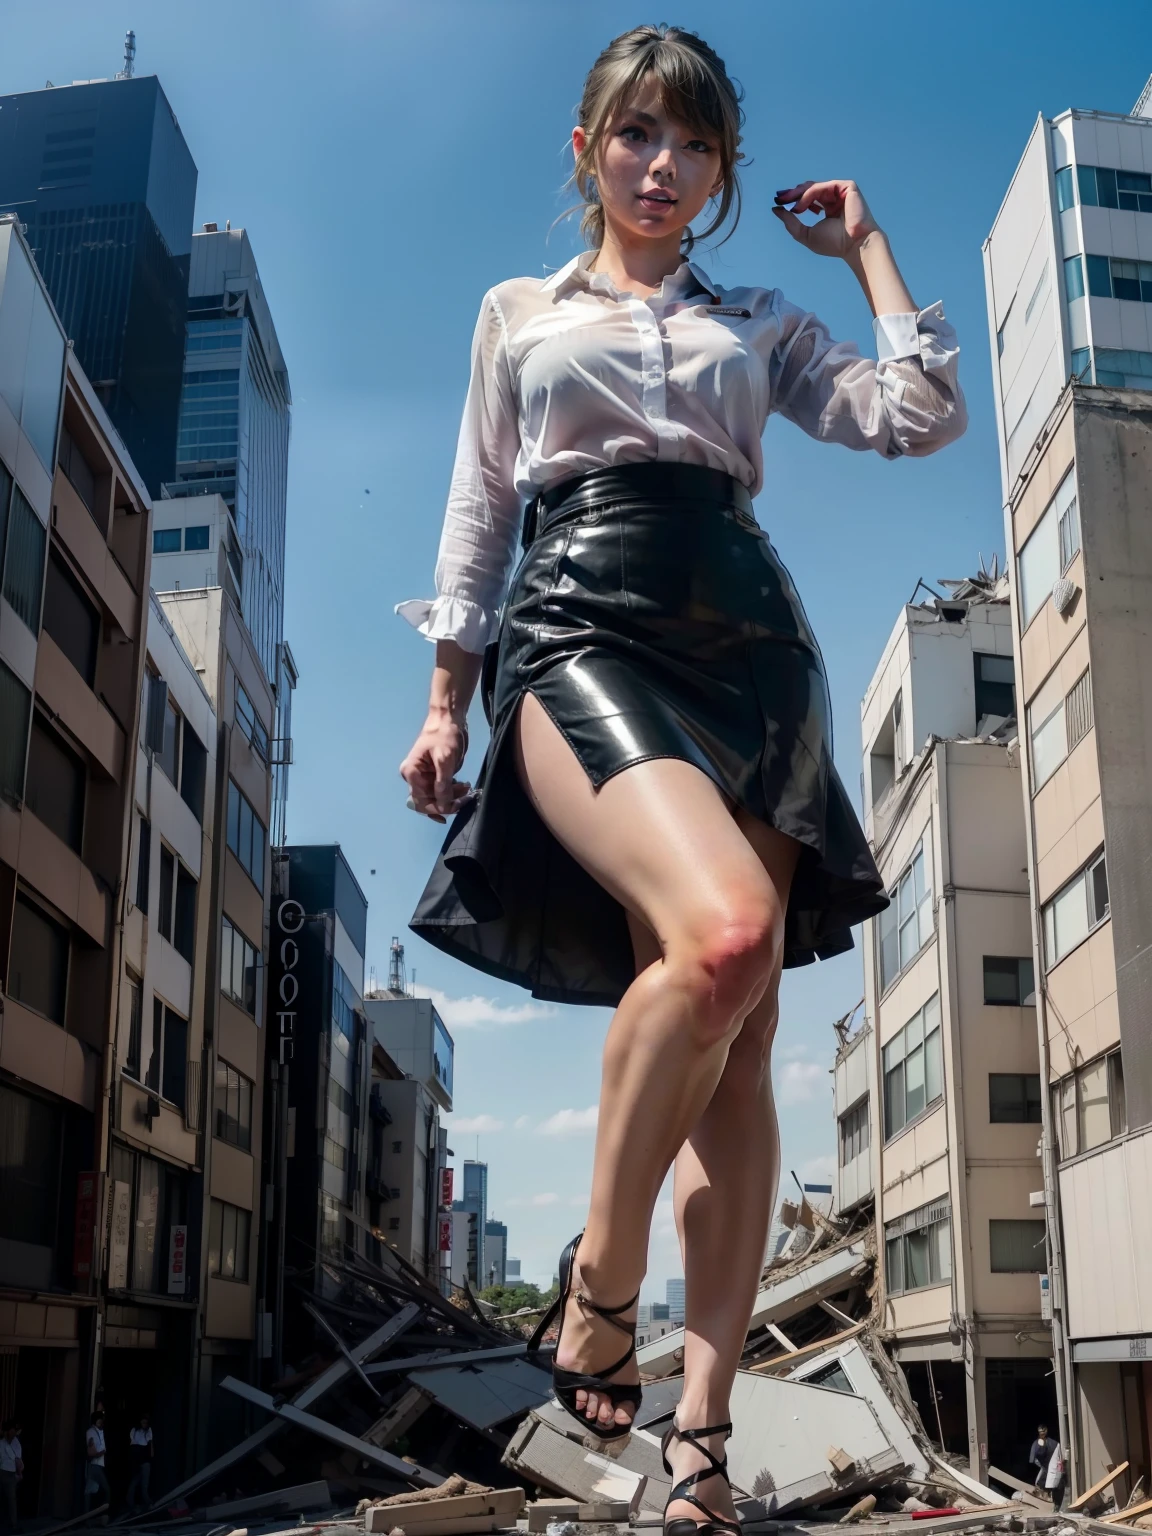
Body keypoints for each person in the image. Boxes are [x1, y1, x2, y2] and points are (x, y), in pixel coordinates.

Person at [398, 24, 965, 1536]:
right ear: (587, 149)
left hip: (754, 656)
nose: (668, 167)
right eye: (640, 136)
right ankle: (597, 1291)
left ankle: (699, 1437)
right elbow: (476, 503)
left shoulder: (761, 318)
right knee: (720, 939)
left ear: (722, 171)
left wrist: (871, 255)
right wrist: (446, 700)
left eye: (696, 145)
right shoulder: (521, 310)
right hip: (578, 622)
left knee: (747, 1028)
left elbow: (915, 419)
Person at [125, 1414, 154, 1512]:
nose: (144, 1424)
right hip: (137, 1459)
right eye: (143, 1422)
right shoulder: (135, 1430)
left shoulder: (148, 1431)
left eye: (146, 1422)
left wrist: (151, 1455)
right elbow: (133, 1444)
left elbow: (150, 1443)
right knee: (135, 1482)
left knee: (144, 1484)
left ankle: (148, 1503)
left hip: (144, 1460)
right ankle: (131, 1504)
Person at [84, 1410, 110, 1513]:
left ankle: (87, 1517)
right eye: (98, 1419)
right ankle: (105, 1514)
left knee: (89, 1491)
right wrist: (100, 1452)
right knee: (107, 1489)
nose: (100, 1421)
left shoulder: (101, 1431)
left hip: (97, 1464)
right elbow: (92, 1450)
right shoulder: (91, 1431)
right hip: (95, 1465)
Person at [0, 1419, 23, 1534]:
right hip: (1, 1472)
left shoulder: (16, 1443)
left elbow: (18, 1460)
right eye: (11, 1430)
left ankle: (13, 1525)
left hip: (10, 1474)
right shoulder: (1, 1443)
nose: (14, 1433)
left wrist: (19, 1473)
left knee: (12, 1500)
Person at [1029, 1424, 1055, 1491]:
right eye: (1041, 1432)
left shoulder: (1046, 1441)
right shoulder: (1039, 1441)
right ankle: (1038, 1485)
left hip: (1040, 1458)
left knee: (1044, 1469)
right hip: (1038, 1459)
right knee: (1044, 1468)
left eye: (1043, 1432)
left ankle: (1039, 1485)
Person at [1045, 1441, 1067, 1511]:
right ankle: (1057, 1507)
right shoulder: (1058, 1448)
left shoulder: (1056, 1448)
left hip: (1056, 1474)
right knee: (1057, 1492)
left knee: (1056, 1491)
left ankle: (1056, 1507)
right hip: (1056, 1474)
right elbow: (1060, 1462)